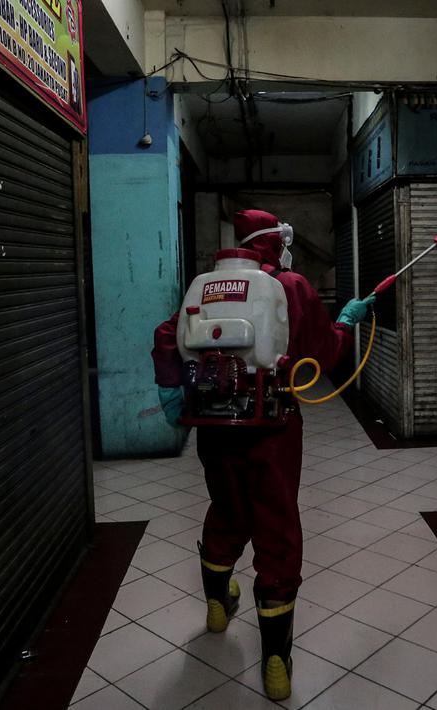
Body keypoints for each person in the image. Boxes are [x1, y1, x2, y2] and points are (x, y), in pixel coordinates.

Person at [150, 209, 374, 701]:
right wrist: (343, 322)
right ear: (274, 243)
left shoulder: (205, 286)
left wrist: (174, 387)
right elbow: (321, 351)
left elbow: (169, 338)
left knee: (226, 506)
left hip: (212, 425)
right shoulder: (289, 284)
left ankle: (216, 603)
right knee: (275, 522)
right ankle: (276, 658)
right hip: (272, 427)